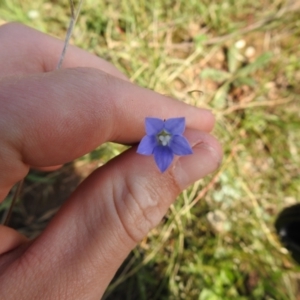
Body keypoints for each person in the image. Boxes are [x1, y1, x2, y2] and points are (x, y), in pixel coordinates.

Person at [0, 23, 222, 299]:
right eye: (163, 134)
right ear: (162, 130)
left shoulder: (165, 133)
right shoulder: (157, 134)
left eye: (166, 135)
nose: (165, 137)